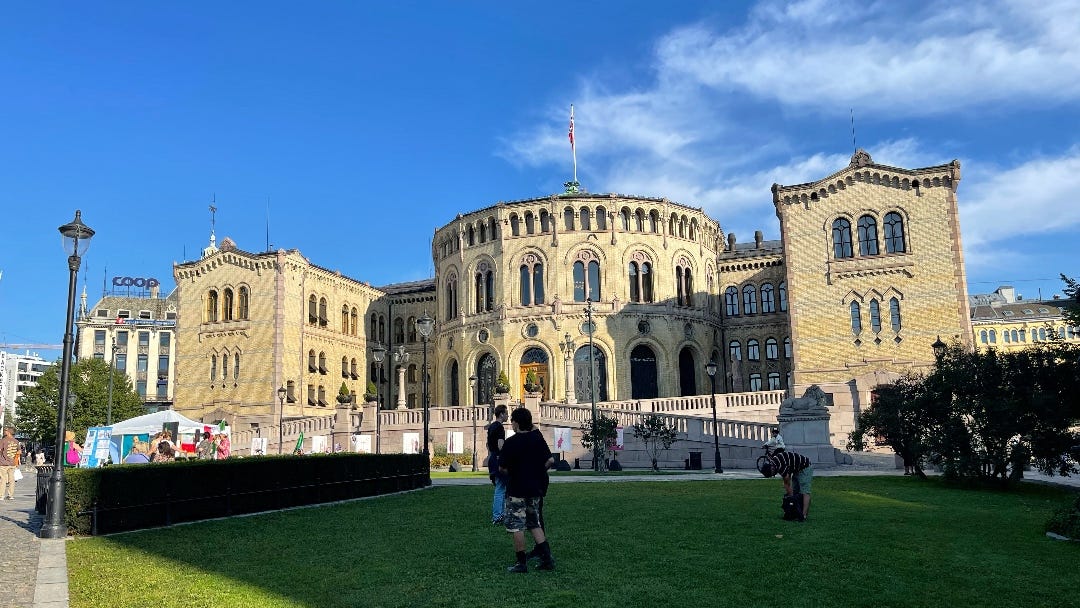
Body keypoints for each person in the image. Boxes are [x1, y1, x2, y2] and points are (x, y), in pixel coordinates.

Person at [498, 407, 555, 573]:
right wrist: (538, 471)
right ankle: (547, 559)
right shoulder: (537, 438)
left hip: (517, 489)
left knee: (517, 526)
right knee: (534, 522)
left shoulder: (511, 443)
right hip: (534, 488)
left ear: (516, 422)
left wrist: (513, 473)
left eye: (513, 421)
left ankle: (521, 563)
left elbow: (502, 468)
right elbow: (550, 460)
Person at [760, 449, 813, 521]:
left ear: (771, 468)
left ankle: (803, 515)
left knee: (805, 491)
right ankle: (797, 512)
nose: (774, 475)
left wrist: (790, 497)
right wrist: (790, 495)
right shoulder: (774, 463)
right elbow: (786, 482)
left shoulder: (779, 465)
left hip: (805, 466)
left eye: (772, 474)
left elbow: (787, 482)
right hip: (796, 469)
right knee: (796, 492)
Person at [486, 404, 508, 525]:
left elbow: (489, 445)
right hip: (498, 458)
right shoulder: (500, 428)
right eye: (506, 413)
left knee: (500, 487)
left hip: (492, 458)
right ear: (501, 414)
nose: (508, 416)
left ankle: (501, 514)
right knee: (500, 488)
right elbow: (500, 445)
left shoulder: (491, 427)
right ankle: (498, 516)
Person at [0, 427, 20, 500]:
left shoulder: (3, 441)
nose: (4, 432)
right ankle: (10, 495)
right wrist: (13, 456)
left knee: (3, 479)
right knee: (12, 480)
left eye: (5, 430)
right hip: (12, 464)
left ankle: (1, 496)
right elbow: (19, 452)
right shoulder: (16, 441)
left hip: (3, 463)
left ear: (8, 432)